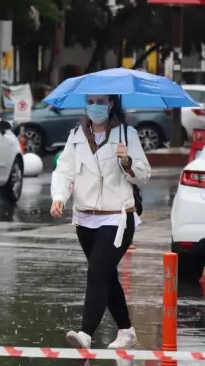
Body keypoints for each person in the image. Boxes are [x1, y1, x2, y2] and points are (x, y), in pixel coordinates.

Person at [50, 94, 151, 350]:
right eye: (91, 100)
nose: (95, 106)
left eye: (101, 101)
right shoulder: (76, 136)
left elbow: (144, 174)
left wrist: (127, 163)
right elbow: (64, 170)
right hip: (85, 219)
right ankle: (126, 330)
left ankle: (85, 333)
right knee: (106, 276)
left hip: (118, 217)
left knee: (96, 272)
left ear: (111, 104)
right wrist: (59, 197)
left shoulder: (127, 134)